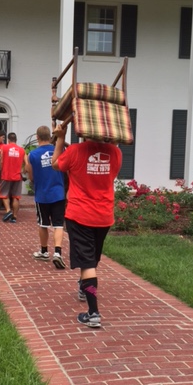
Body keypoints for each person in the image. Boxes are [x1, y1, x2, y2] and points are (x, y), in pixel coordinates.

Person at [52, 124, 122, 329]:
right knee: (92, 258)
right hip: (104, 216)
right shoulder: (116, 153)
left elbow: (55, 164)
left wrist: (60, 138)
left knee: (87, 263)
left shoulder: (75, 151)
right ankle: (85, 287)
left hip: (80, 214)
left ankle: (93, 313)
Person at [25, 125, 66, 269]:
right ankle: (58, 252)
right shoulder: (59, 150)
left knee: (43, 224)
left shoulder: (32, 155)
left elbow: (31, 177)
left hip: (42, 194)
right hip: (59, 193)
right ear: (49, 137)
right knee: (58, 224)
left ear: (37, 137)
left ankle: (44, 251)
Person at [0, 132, 25, 223]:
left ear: (8, 140)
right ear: (16, 140)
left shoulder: (4, 148)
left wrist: (1, 170)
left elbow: (1, 161)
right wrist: (23, 171)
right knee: (16, 197)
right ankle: (14, 217)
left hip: (6, 175)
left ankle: (8, 211)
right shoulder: (21, 150)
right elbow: (26, 163)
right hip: (17, 176)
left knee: (4, 194)